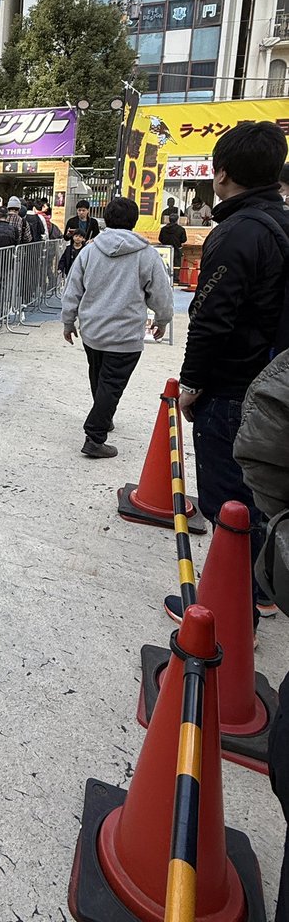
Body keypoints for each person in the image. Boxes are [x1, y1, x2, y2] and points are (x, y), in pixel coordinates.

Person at [170, 120, 289, 625]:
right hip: (274, 382)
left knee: (230, 503)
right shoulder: (280, 223)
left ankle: (231, 614)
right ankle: (263, 588)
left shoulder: (237, 232)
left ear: (220, 174)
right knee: (264, 497)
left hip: (237, 389)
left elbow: (212, 318)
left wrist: (192, 382)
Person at [233, 349, 289, 917]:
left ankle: (252, 598)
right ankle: (258, 596)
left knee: (235, 508)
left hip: (228, 383)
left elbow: (266, 440)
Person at [61, 196, 173, 458]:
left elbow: (73, 289)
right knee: (111, 383)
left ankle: (103, 415)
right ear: (134, 221)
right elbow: (161, 293)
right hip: (125, 334)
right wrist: (162, 319)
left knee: (99, 376)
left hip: (93, 331)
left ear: (105, 220)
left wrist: (68, 320)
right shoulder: (146, 254)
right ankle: (95, 436)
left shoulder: (89, 250)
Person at [158, 214, 188, 283]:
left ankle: (164, 278)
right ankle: (175, 279)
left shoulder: (163, 229)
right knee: (176, 265)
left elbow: (160, 239)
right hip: (176, 249)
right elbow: (184, 240)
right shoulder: (181, 229)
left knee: (165, 264)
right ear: (177, 220)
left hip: (165, 250)